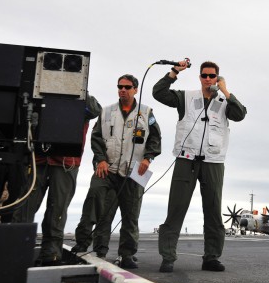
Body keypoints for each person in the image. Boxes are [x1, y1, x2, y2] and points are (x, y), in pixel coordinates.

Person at [153, 60, 247, 273]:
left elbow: (240, 114)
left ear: (217, 78)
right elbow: (158, 92)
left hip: (213, 162)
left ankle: (211, 257)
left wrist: (226, 91)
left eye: (212, 76)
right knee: (176, 208)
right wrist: (175, 71)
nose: (207, 79)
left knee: (213, 210)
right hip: (186, 160)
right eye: (204, 75)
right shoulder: (185, 98)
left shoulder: (225, 102)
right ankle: (168, 257)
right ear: (199, 77)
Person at [72, 74, 161, 269]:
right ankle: (88, 246)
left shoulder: (147, 113)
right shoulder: (106, 112)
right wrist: (100, 160)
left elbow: (155, 139)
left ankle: (127, 254)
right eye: (120, 86)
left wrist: (148, 158)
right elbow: (96, 138)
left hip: (135, 170)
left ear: (135, 89)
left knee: (131, 214)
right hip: (108, 168)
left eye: (127, 87)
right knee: (96, 202)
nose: (123, 90)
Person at [12, 94, 101, 266]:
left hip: (65, 163)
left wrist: (78, 88)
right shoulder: (38, 91)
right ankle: (16, 252)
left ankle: (51, 255)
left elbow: (95, 111)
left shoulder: (83, 99)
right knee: (25, 205)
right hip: (37, 160)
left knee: (57, 211)